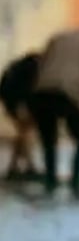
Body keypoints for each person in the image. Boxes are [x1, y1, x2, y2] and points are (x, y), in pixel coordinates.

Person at [28, 19, 79, 198]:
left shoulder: (58, 38)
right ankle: (76, 180)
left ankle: (51, 180)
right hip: (68, 94)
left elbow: (41, 64)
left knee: (48, 138)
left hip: (41, 93)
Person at [0, 51, 41, 181]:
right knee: (25, 132)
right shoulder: (31, 72)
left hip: (11, 99)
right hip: (17, 100)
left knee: (24, 132)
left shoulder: (19, 68)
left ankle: (17, 167)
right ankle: (25, 167)